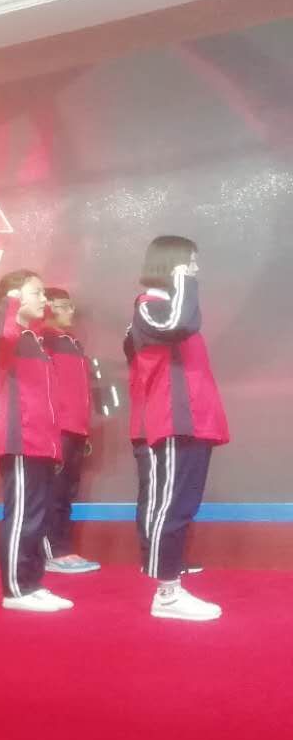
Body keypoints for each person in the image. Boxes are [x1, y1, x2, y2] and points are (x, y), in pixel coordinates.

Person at [125, 236, 228, 620]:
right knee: (170, 506)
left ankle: (170, 580)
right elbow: (180, 322)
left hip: (194, 421)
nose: (196, 270)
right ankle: (167, 593)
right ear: (172, 264)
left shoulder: (168, 309)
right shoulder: (149, 307)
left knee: (183, 506)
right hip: (171, 421)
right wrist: (183, 279)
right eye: (190, 262)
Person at [0, 270, 72, 613]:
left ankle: (33, 583)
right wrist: (11, 299)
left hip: (42, 442)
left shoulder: (32, 338)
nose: (44, 299)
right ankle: (16, 589)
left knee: (37, 517)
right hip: (20, 440)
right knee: (23, 516)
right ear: (16, 297)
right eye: (36, 292)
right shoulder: (8, 336)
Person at [41, 288, 101, 574]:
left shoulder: (71, 342)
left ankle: (63, 549)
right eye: (63, 306)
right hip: (57, 429)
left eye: (71, 305)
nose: (70, 311)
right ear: (48, 307)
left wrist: (84, 430)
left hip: (76, 429)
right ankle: (51, 553)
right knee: (53, 493)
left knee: (66, 493)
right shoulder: (43, 340)